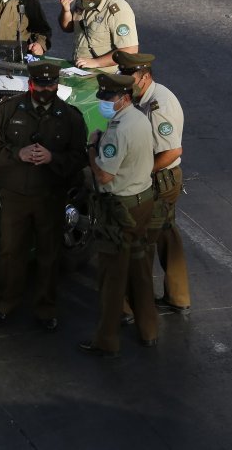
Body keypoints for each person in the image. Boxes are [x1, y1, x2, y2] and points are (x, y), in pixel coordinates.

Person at [0, 61, 87, 331]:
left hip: (50, 196)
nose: (45, 90)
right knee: (10, 252)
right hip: (15, 196)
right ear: (31, 84)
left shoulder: (70, 116)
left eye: (51, 86)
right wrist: (18, 154)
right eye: (41, 85)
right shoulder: (8, 110)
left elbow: (79, 158)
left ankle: (45, 308)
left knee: (49, 254)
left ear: (57, 85)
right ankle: (5, 303)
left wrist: (53, 158)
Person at [79, 74, 157, 357]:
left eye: (109, 99)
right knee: (140, 270)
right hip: (143, 201)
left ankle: (106, 339)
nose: (104, 103)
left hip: (120, 208)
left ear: (124, 97)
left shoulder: (117, 131)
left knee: (112, 277)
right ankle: (149, 330)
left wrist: (91, 147)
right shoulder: (138, 119)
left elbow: (104, 175)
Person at [114, 51, 191, 314]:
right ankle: (178, 297)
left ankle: (138, 305)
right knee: (167, 234)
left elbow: (172, 151)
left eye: (129, 77)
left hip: (159, 180)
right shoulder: (143, 98)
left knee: (142, 242)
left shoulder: (159, 105)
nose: (125, 82)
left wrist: (141, 174)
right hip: (161, 178)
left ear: (144, 77)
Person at [57, 0, 138, 71]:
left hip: (107, 76)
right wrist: (66, 10)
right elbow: (68, 28)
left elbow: (130, 50)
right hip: (81, 70)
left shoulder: (117, 10)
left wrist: (96, 62)